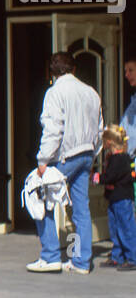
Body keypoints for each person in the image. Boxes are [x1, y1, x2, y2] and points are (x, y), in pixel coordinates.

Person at [27, 52, 103, 275]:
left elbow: (53, 129)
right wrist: (93, 154)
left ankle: (50, 256)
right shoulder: (91, 92)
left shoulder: (54, 92)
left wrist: (43, 160)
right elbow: (99, 129)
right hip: (86, 154)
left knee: (37, 192)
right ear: (74, 69)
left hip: (66, 156)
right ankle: (81, 261)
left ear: (52, 72)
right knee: (81, 208)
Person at [99, 125, 136, 270]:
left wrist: (97, 177)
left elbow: (110, 177)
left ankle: (132, 257)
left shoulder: (119, 159)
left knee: (126, 228)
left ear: (109, 142)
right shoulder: (118, 157)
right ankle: (117, 256)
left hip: (122, 199)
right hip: (115, 198)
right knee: (115, 228)